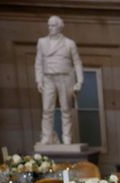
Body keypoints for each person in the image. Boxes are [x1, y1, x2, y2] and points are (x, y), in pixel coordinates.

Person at [35, 16, 83, 146]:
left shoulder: (69, 43)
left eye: (53, 25)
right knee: (47, 110)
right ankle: (46, 137)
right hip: (48, 78)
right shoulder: (42, 42)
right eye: (49, 25)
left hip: (65, 78)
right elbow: (38, 63)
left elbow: (77, 63)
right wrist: (39, 81)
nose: (50, 28)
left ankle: (67, 139)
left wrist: (80, 81)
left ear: (60, 27)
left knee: (66, 110)